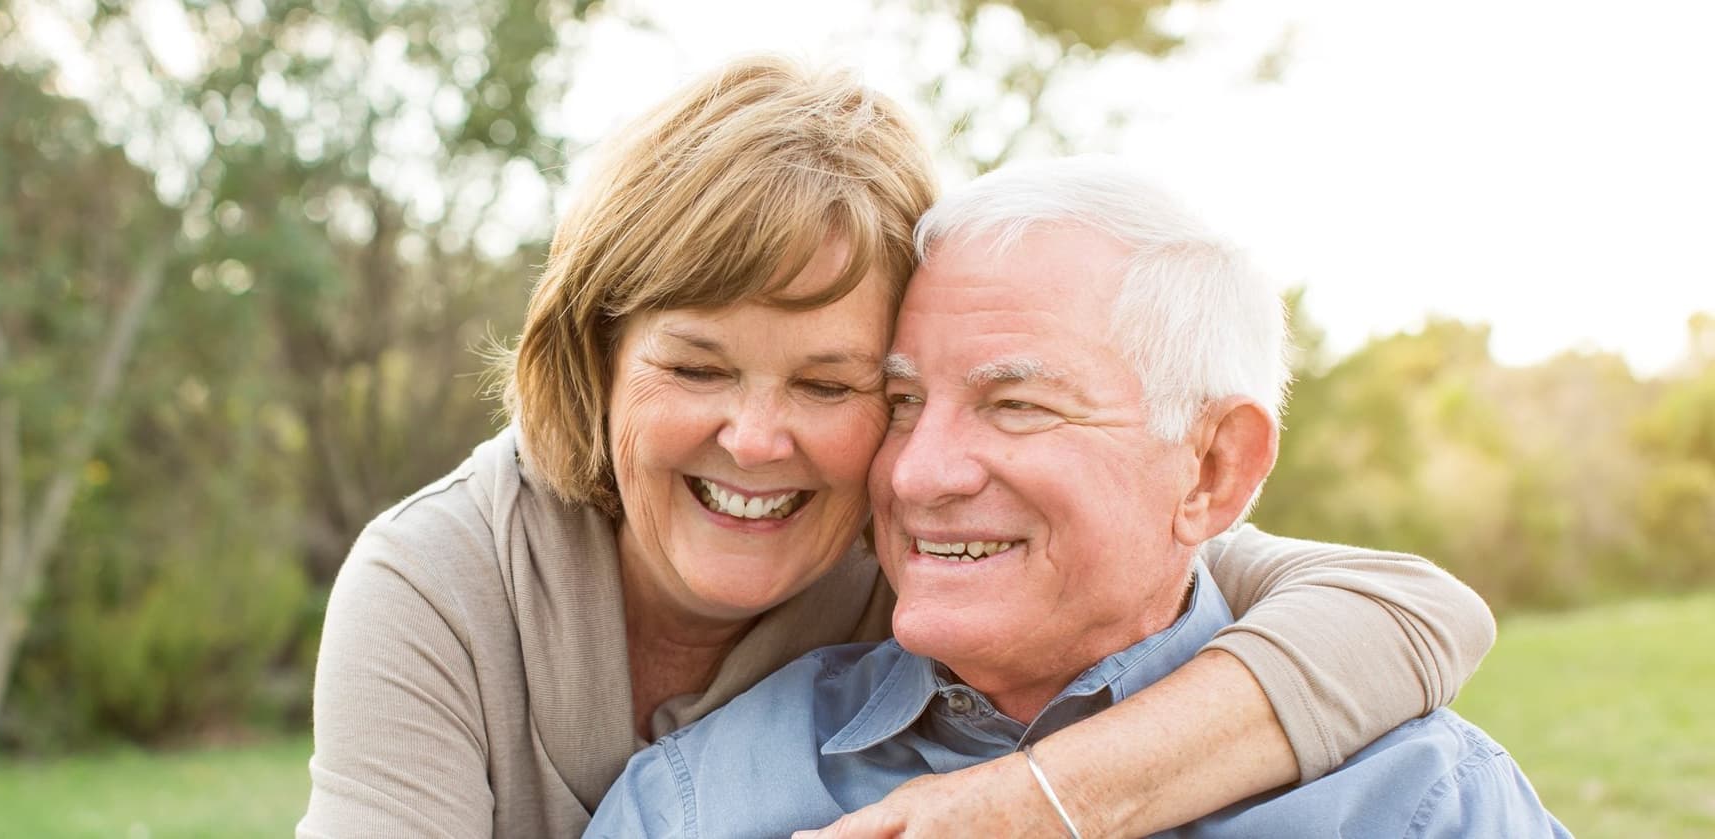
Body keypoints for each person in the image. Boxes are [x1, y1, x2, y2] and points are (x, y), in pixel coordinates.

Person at [298, 57, 1498, 839]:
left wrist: (1032, 804)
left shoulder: (929, 542)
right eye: (694, 364)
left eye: (834, 382)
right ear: (596, 355)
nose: (758, 436)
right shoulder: (444, 584)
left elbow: (1404, 609)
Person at [586, 156, 1567, 838]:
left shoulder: (1418, 802)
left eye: (1014, 404)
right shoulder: (697, 798)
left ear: (1212, 469)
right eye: (900, 400)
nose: (918, 471)